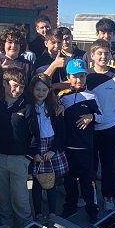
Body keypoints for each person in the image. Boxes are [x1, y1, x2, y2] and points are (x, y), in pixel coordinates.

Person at [0, 67, 40, 228]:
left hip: (19, 159)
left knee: (20, 197)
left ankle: (26, 227)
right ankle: (7, 227)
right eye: (14, 85)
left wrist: (28, 157)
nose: (17, 90)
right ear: (5, 83)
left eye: (21, 86)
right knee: (2, 196)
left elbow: (35, 135)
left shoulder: (27, 107)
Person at [59, 59, 102, 222]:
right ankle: (70, 207)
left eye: (82, 76)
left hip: (85, 149)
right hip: (68, 148)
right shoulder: (62, 97)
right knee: (69, 181)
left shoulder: (92, 96)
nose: (79, 80)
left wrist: (91, 117)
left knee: (87, 181)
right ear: (68, 77)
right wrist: (58, 109)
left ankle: (92, 209)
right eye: (75, 76)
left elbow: (102, 117)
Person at [86, 40, 115, 212]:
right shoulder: (85, 76)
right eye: (100, 53)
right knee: (90, 166)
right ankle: (90, 195)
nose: (103, 56)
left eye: (106, 53)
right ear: (92, 56)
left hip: (109, 129)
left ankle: (108, 196)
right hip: (89, 129)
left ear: (111, 55)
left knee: (109, 165)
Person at [28, 74, 67, 219]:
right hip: (36, 148)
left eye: (44, 90)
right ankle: (37, 213)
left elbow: (61, 132)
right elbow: (26, 133)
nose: (41, 93)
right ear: (32, 89)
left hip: (51, 146)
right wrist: (34, 152)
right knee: (37, 182)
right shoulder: (28, 107)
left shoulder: (54, 107)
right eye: (38, 89)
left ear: (49, 90)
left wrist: (53, 150)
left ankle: (52, 213)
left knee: (51, 181)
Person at [83, 17, 115, 88]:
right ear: (97, 33)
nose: (106, 36)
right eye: (103, 33)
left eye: (109, 33)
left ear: (113, 34)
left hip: (111, 97)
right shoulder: (88, 55)